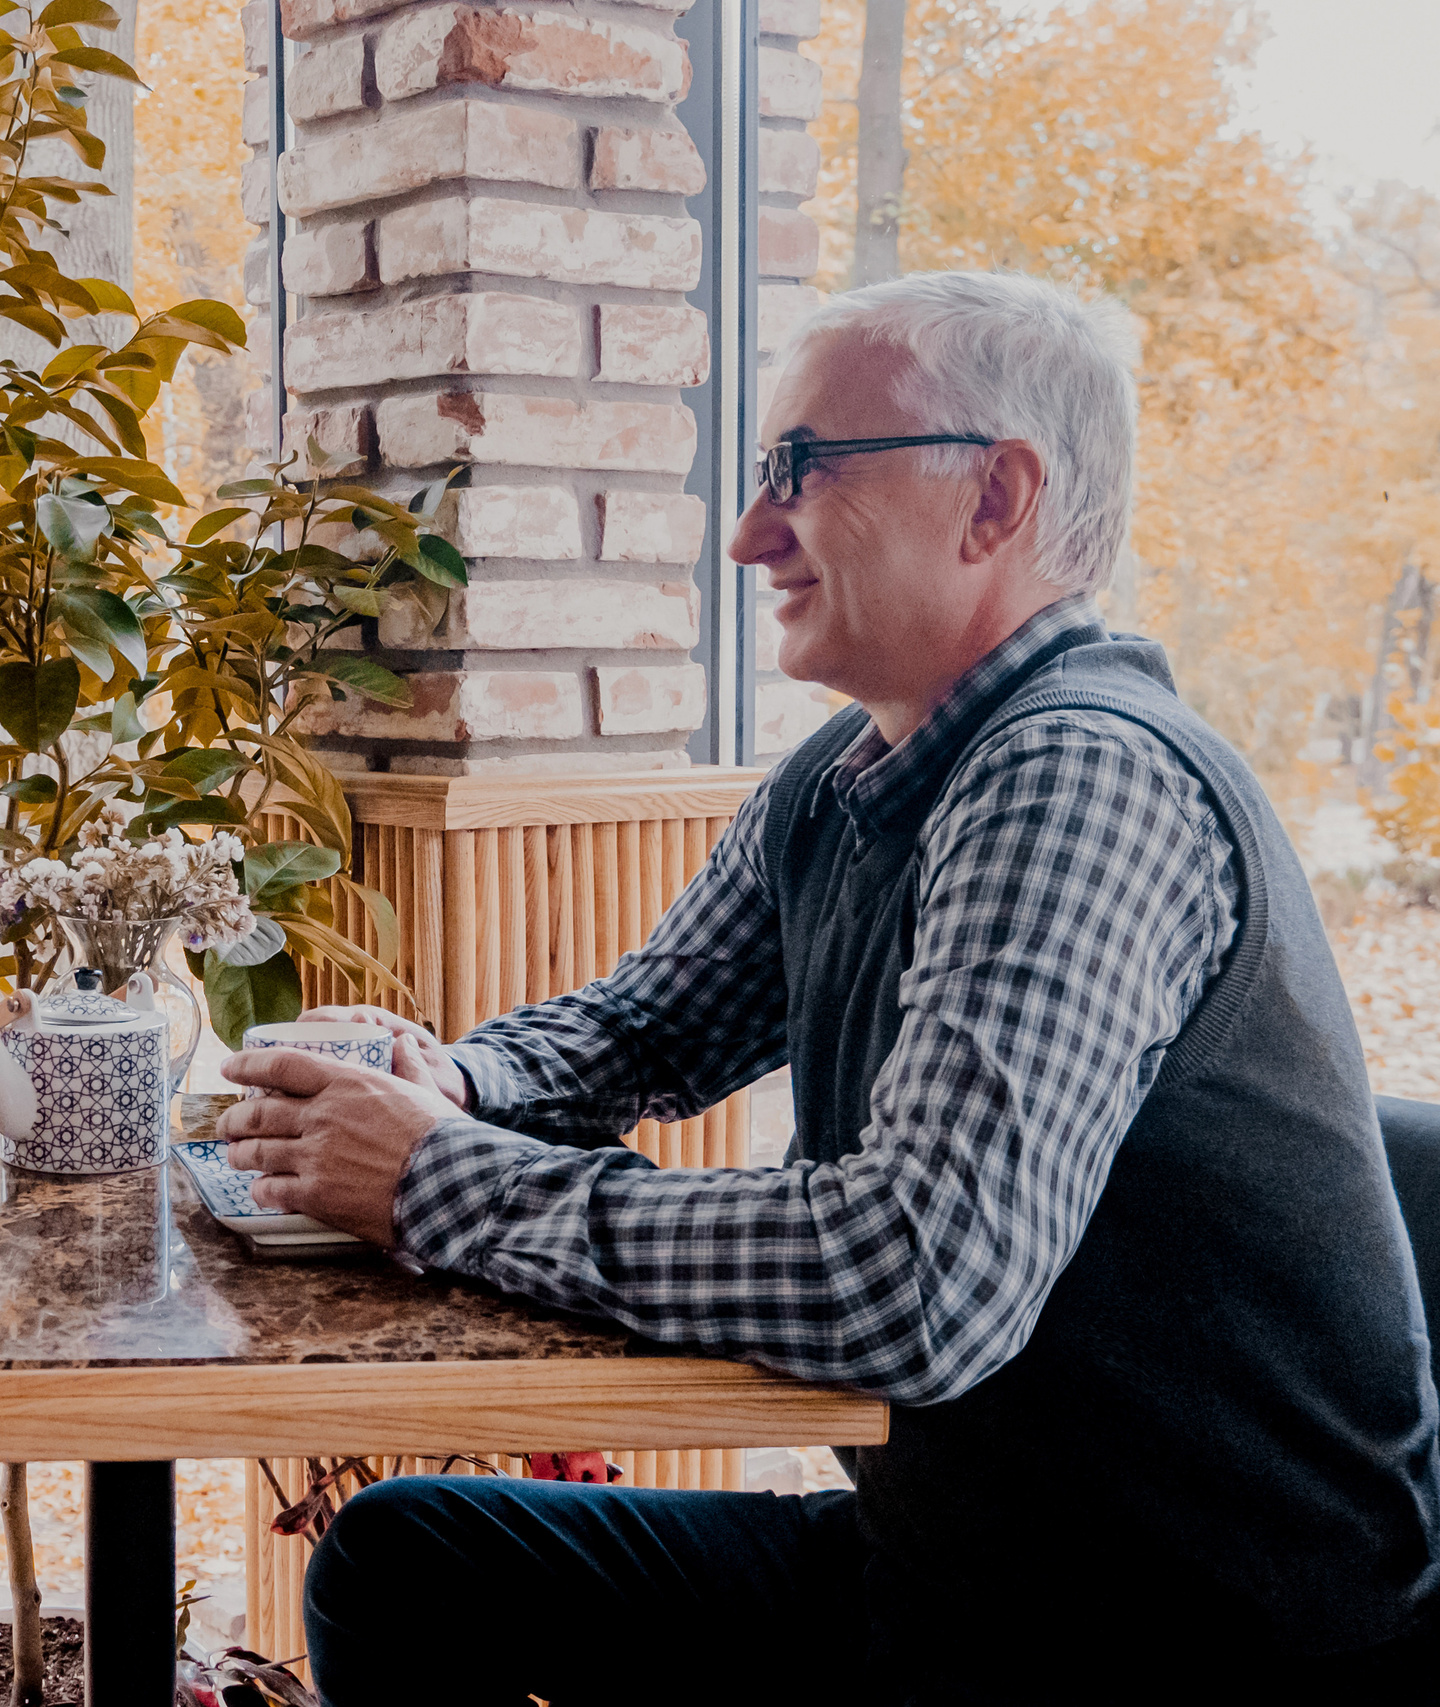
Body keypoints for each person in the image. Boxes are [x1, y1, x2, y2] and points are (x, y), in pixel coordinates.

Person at [218, 272, 1440, 1702]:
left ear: (996, 499)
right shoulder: (856, 768)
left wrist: (436, 1182)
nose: (749, 536)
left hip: (1171, 1633)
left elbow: (915, 1277)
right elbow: (644, 1026)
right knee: (405, 1562)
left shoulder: (1081, 780)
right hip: (965, 1563)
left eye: (801, 470)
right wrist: (461, 1084)